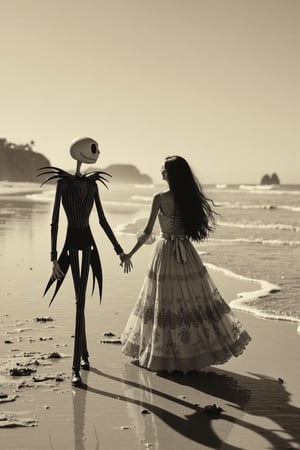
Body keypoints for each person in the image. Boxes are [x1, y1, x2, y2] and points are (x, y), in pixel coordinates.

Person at [121, 156, 251, 372]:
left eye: (163, 169)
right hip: (187, 252)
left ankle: (165, 354)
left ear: (170, 174)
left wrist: (129, 254)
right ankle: (192, 352)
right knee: (192, 301)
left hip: (164, 253)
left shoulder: (160, 198)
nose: (160, 171)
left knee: (163, 302)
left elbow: (147, 232)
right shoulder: (189, 197)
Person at [38, 137, 131, 386]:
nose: (97, 153)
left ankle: (81, 359)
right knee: (79, 300)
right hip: (70, 243)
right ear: (79, 152)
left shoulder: (92, 185)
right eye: (93, 149)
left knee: (80, 300)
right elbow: (55, 220)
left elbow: (101, 220)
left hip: (88, 243)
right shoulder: (63, 184)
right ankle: (78, 364)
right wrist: (53, 256)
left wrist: (119, 250)